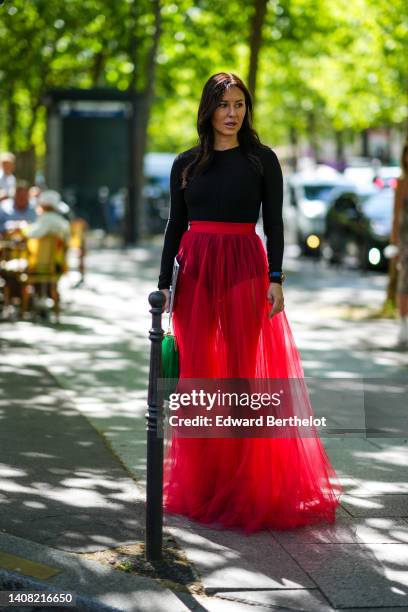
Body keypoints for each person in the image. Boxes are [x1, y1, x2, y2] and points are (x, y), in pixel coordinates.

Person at [157, 72, 342, 533]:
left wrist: (276, 278)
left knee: (241, 374)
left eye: (239, 104)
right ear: (209, 110)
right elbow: (174, 226)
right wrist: (163, 285)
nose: (232, 113)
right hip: (196, 269)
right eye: (224, 105)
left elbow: (275, 225)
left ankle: (245, 480)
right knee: (200, 376)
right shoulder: (185, 164)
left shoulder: (263, 160)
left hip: (245, 266)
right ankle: (205, 481)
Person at [391, 141, 408, 347]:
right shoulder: (401, 182)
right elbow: (396, 215)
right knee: (404, 282)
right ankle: (403, 324)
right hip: (406, 240)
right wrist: (394, 241)